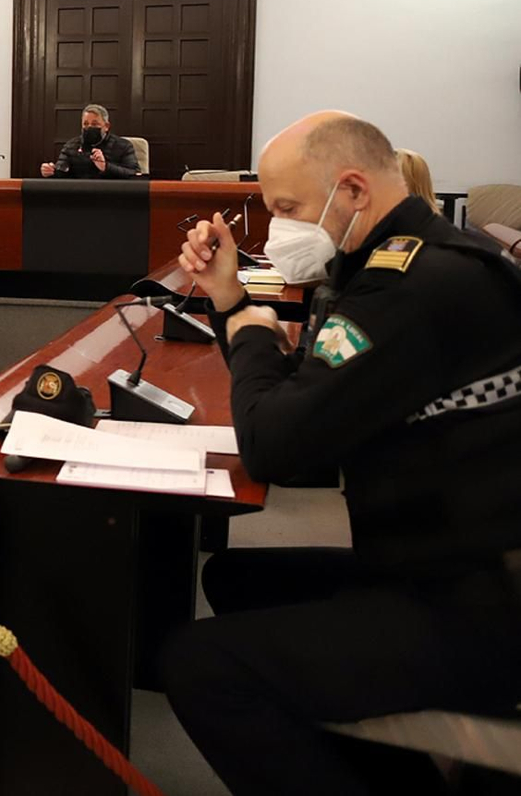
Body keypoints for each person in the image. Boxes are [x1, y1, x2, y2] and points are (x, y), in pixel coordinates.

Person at [162, 112, 521, 796]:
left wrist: (252, 334)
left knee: (202, 664)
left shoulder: (413, 288)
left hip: (481, 605)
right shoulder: (419, 258)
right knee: (236, 582)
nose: (278, 231)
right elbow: (314, 401)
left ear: (352, 188)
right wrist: (231, 298)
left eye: (289, 208)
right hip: (441, 557)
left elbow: (276, 445)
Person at [39, 104, 139, 179]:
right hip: (79, 197)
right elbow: (62, 172)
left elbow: (134, 174)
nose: (89, 128)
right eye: (86, 124)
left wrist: (106, 167)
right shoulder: (71, 146)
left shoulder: (123, 146)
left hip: (112, 198)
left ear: (106, 126)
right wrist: (51, 171)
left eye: (95, 124)